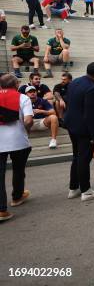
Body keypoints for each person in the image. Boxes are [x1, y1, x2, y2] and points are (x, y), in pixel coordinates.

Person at [64, 62, 94, 202]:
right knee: (83, 159)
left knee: (76, 157)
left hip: (71, 124)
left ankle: (73, 187)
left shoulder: (75, 81)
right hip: (84, 129)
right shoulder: (92, 88)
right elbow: (90, 114)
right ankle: (86, 190)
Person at [0, 74, 34, 222]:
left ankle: (2, 210)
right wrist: (27, 129)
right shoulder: (23, 98)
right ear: (15, 85)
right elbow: (28, 120)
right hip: (18, 141)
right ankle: (17, 197)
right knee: (18, 170)